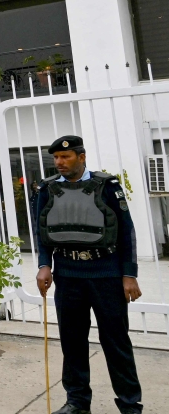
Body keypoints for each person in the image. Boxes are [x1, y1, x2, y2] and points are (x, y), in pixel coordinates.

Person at [35, 136, 143, 414]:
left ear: (81, 157)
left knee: (116, 342)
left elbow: (126, 231)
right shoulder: (47, 190)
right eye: (56, 158)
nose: (59, 163)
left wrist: (128, 274)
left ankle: (130, 404)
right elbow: (42, 232)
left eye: (65, 157)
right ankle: (77, 401)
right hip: (68, 275)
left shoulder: (107, 186)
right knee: (72, 342)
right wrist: (44, 265)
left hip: (105, 274)